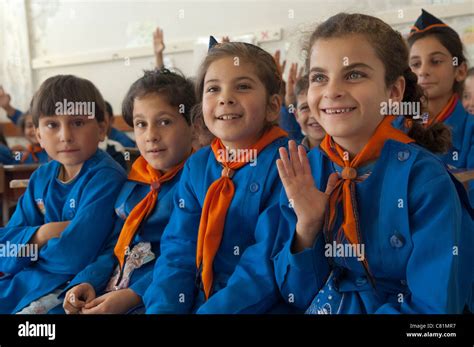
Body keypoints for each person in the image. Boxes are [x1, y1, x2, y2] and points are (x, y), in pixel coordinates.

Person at [273, 13, 473, 314]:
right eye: (319, 77)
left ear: (393, 93)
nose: (332, 91)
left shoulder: (425, 179)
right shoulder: (304, 171)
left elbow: (436, 312)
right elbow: (295, 296)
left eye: (354, 74)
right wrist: (307, 228)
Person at [144, 38, 292, 313]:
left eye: (243, 86)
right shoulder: (198, 165)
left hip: (259, 304)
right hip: (197, 299)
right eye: (213, 89)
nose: (225, 98)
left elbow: (265, 263)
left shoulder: (287, 162)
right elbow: (179, 249)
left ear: (273, 106)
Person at [0, 75, 127, 313]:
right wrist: (42, 233)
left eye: (77, 122)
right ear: (38, 135)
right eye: (52, 125)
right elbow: (3, 250)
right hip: (25, 281)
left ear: (101, 129)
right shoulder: (41, 177)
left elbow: (73, 256)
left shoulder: (106, 177)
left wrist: (27, 249)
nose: (65, 136)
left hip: (70, 285)